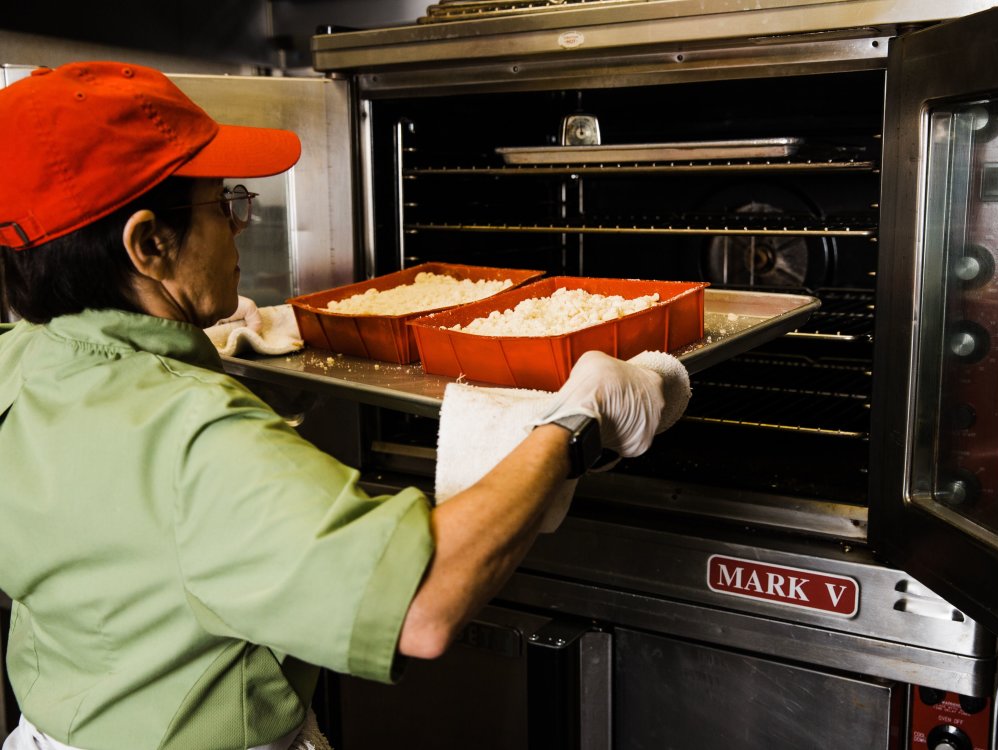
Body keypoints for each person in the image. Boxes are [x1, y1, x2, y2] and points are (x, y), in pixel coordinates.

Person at [0, 62, 671, 750]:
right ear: (149, 245)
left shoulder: (18, 362)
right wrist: (572, 423)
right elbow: (422, 607)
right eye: (223, 206)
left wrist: (202, 358)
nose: (236, 229)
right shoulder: (195, 437)